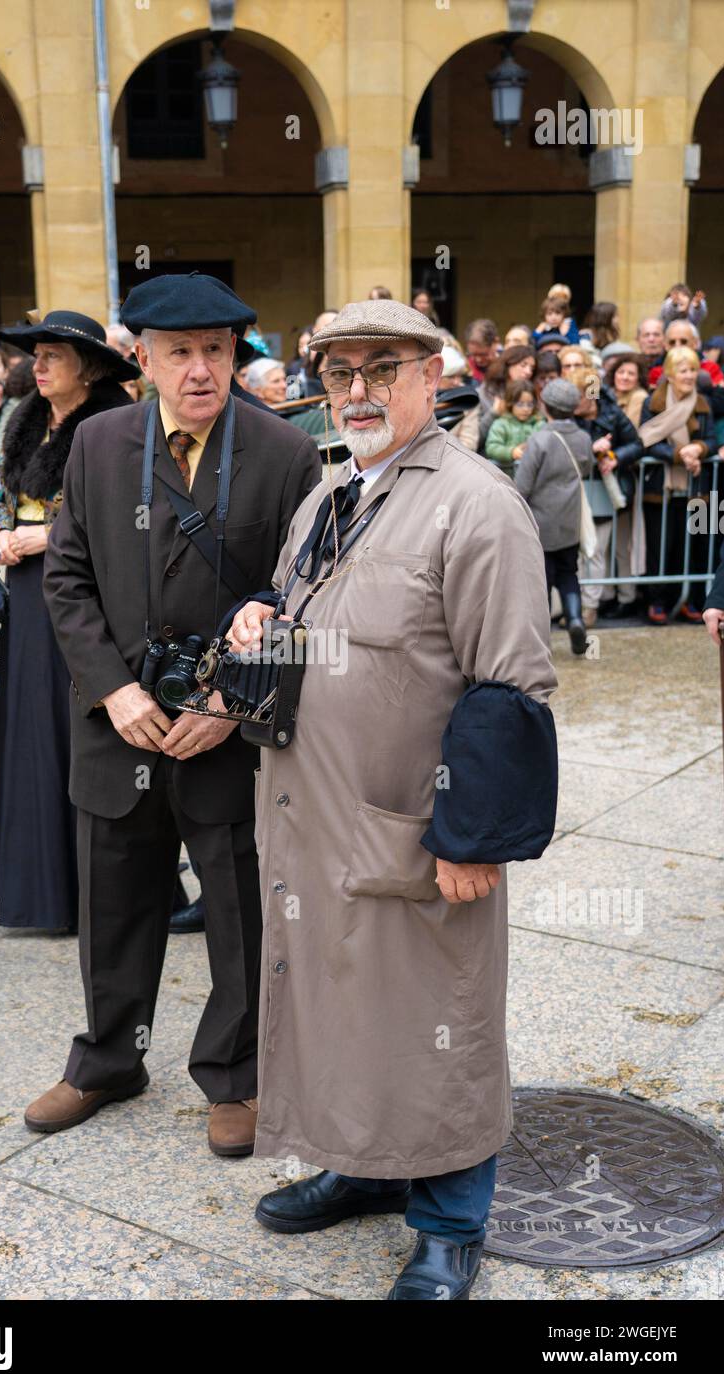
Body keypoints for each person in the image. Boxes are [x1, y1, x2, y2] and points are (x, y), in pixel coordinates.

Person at [224, 298, 557, 1301]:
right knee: (340, 1007)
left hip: (414, 828)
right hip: (311, 820)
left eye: (381, 369)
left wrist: (473, 837)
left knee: (435, 1020)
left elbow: (509, 686)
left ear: (430, 375)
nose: (357, 390)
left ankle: (451, 1226)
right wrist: (261, 622)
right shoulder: (327, 495)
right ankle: (362, 1164)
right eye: (339, 374)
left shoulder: (475, 503)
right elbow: (306, 619)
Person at [29, 274, 321, 1155]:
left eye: (217, 351)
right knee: (114, 903)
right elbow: (67, 578)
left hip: (223, 735)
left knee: (237, 910)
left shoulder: (283, 452)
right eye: (180, 353)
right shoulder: (97, 444)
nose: (201, 370)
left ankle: (235, 1076)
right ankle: (109, 1059)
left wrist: (235, 704)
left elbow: (301, 599)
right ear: (143, 358)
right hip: (118, 726)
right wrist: (113, 688)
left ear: (237, 354)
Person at [0, 311, 140, 936]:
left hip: (82, 593)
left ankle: (91, 893)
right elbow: (3, 493)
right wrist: (0, 531)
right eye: (36, 355)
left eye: (53, 355)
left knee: (76, 730)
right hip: (26, 594)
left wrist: (41, 538)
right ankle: (37, 894)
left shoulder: (111, 423)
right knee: (30, 732)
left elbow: (122, 516)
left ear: (91, 367)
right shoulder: (25, 421)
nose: (38, 366)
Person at [515, 377, 596, 655]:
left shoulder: (539, 440)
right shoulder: (584, 438)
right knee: (569, 573)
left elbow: (522, 486)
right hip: (570, 522)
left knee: (542, 581)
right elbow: (586, 469)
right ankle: (575, 619)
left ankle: (543, 640)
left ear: (544, 405)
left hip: (541, 523)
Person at [638, 345, 716, 624]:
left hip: (696, 487)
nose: (690, 375)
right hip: (661, 487)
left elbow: (711, 440)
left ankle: (690, 601)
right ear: (670, 374)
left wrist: (698, 449)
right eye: (683, 370)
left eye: (694, 370)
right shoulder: (653, 402)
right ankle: (657, 601)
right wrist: (679, 455)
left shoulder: (703, 402)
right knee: (661, 545)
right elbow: (646, 441)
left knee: (692, 546)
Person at [568, 367, 642, 625]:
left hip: (605, 493)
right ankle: (576, 606)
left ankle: (589, 607)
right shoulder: (567, 417)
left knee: (595, 549)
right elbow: (560, 448)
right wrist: (591, 448)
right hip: (572, 491)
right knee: (575, 552)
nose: (573, 402)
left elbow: (637, 444)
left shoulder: (612, 414)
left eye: (578, 396)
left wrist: (616, 457)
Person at [484, 380, 543, 476]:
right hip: (507, 476)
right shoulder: (501, 424)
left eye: (530, 404)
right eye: (520, 404)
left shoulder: (538, 424)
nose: (525, 409)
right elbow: (492, 447)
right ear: (510, 403)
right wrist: (511, 452)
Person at [603, 352, 648, 429]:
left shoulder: (639, 397)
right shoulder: (608, 393)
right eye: (621, 372)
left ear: (639, 378)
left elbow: (630, 429)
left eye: (631, 374)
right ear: (614, 374)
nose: (625, 377)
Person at [463, 317, 499, 383]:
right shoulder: (464, 369)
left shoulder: (507, 368)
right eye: (473, 355)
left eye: (483, 354)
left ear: (495, 343)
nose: (478, 360)